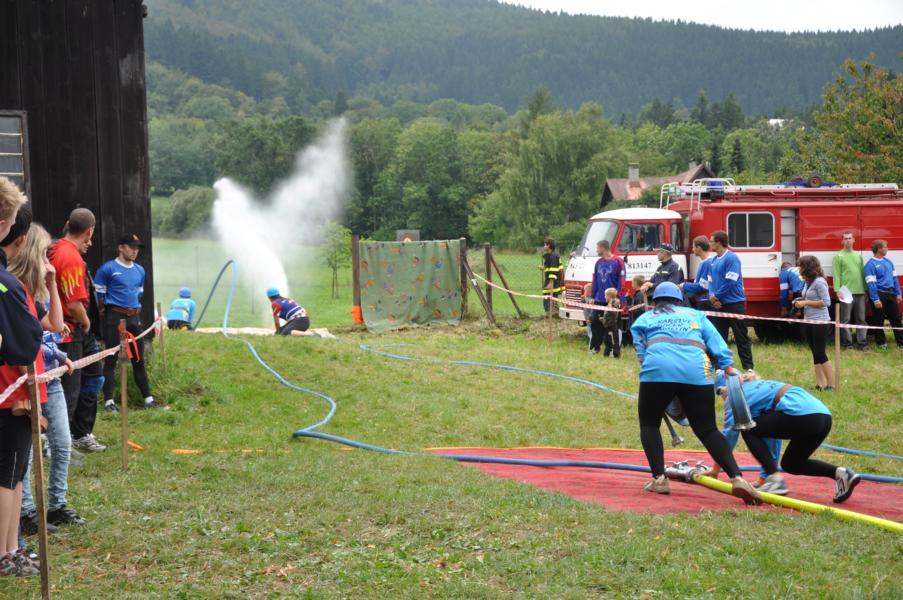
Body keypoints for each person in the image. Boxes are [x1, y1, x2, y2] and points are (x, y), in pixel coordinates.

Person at [630, 281, 761, 504]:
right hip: (697, 372)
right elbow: (716, 341)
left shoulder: (645, 318)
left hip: (657, 371)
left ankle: (659, 479)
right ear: (680, 300)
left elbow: (640, 348)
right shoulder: (696, 315)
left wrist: (649, 365)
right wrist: (728, 366)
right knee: (707, 429)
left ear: (655, 301)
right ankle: (737, 477)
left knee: (649, 424)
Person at [9, 224, 86, 534]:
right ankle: (27, 512)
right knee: (26, 452)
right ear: (30, 254)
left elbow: (54, 324)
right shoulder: (12, 290)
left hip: (48, 379)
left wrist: (52, 284)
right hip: (25, 381)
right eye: (43, 255)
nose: (48, 262)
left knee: (62, 443)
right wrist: (53, 351)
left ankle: (57, 505)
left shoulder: (34, 293)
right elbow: (24, 341)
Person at [711, 370, 861, 503]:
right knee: (792, 463)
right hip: (823, 417)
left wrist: (715, 471)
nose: (722, 397)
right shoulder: (760, 389)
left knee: (748, 429)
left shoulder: (735, 395)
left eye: (720, 392)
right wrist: (764, 479)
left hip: (802, 414)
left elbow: (729, 437)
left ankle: (775, 480)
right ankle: (841, 473)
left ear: (726, 387)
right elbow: (772, 437)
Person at [0, 190, 44, 577]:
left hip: (11, 394)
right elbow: (27, 341)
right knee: (8, 477)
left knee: (13, 476)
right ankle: (5, 553)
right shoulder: (7, 285)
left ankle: (12, 548)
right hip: (8, 397)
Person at [48, 208, 107, 453]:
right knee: (69, 391)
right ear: (89, 231)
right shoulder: (69, 256)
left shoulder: (55, 248)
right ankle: (59, 446)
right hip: (70, 331)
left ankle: (80, 433)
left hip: (72, 330)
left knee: (94, 375)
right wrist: (86, 322)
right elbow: (73, 303)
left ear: (67, 224)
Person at [94, 233, 157, 411]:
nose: (135, 251)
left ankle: (148, 400)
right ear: (121, 248)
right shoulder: (107, 269)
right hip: (114, 316)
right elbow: (99, 296)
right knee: (111, 358)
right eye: (131, 247)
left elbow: (139, 293)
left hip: (133, 318)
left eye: (137, 248)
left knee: (138, 358)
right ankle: (109, 402)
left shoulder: (140, 270)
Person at [707, 230, 754, 372]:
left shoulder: (732, 258)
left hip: (735, 305)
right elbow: (710, 282)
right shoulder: (713, 260)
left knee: (741, 338)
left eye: (711, 241)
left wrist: (717, 296)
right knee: (719, 338)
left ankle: (748, 368)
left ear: (719, 242)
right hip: (718, 305)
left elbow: (731, 281)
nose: (709, 244)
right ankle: (720, 368)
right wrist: (712, 297)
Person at [793, 255, 835, 391]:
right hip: (809, 320)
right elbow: (809, 297)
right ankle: (819, 383)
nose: (799, 269)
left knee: (820, 352)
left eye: (801, 266)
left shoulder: (820, 282)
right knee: (815, 353)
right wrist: (800, 300)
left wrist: (806, 302)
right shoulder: (808, 282)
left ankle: (831, 384)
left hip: (820, 321)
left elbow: (826, 302)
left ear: (808, 267)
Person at [832, 231, 868, 350]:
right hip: (846, 293)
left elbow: (862, 273)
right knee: (845, 319)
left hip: (860, 292)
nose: (848, 240)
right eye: (845, 238)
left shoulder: (858, 255)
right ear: (842, 241)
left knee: (861, 319)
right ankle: (848, 344)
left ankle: (862, 343)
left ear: (853, 240)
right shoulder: (838, 256)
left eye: (850, 238)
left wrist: (865, 289)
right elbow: (836, 274)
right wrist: (837, 290)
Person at [864, 239, 903, 349]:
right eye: (885, 246)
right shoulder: (870, 265)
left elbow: (894, 279)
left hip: (891, 294)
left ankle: (901, 343)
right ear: (879, 249)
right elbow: (871, 284)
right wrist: (875, 299)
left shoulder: (888, 262)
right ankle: (881, 343)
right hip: (879, 295)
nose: (887, 248)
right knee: (878, 320)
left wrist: (898, 293)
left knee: (896, 319)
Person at [588, 240, 625, 353]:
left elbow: (622, 281)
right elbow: (595, 281)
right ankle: (595, 347)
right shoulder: (598, 263)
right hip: (599, 299)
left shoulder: (618, 261)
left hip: (612, 300)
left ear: (603, 248)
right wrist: (593, 296)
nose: (597, 250)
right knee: (595, 323)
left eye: (598, 248)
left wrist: (618, 297)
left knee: (613, 326)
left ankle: (614, 349)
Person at [681, 236, 714, 311]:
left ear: (698, 248)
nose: (692, 249)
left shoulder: (708, 263)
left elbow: (703, 286)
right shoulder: (704, 262)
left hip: (706, 301)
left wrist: (683, 285)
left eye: (693, 247)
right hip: (703, 300)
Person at [539, 238, 563, 314]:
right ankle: (553, 313)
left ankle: (553, 314)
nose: (544, 246)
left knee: (549, 298)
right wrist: (544, 267)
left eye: (545, 245)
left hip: (553, 282)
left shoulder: (554, 256)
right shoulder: (551, 255)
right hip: (550, 280)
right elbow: (550, 267)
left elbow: (553, 270)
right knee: (550, 298)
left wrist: (550, 283)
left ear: (548, 245)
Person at [600, 287, 621, 358]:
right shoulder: (609, 303)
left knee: (613, 341)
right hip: (607, 325)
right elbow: (608, 315)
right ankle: (606, 354)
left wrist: (610, 307)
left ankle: (616, 355)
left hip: (612, 326)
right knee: (607, 341)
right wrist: (603, 319)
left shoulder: (614, 303)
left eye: (605, 295)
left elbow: (614, 313)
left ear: (609, 296)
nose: (604, 297)